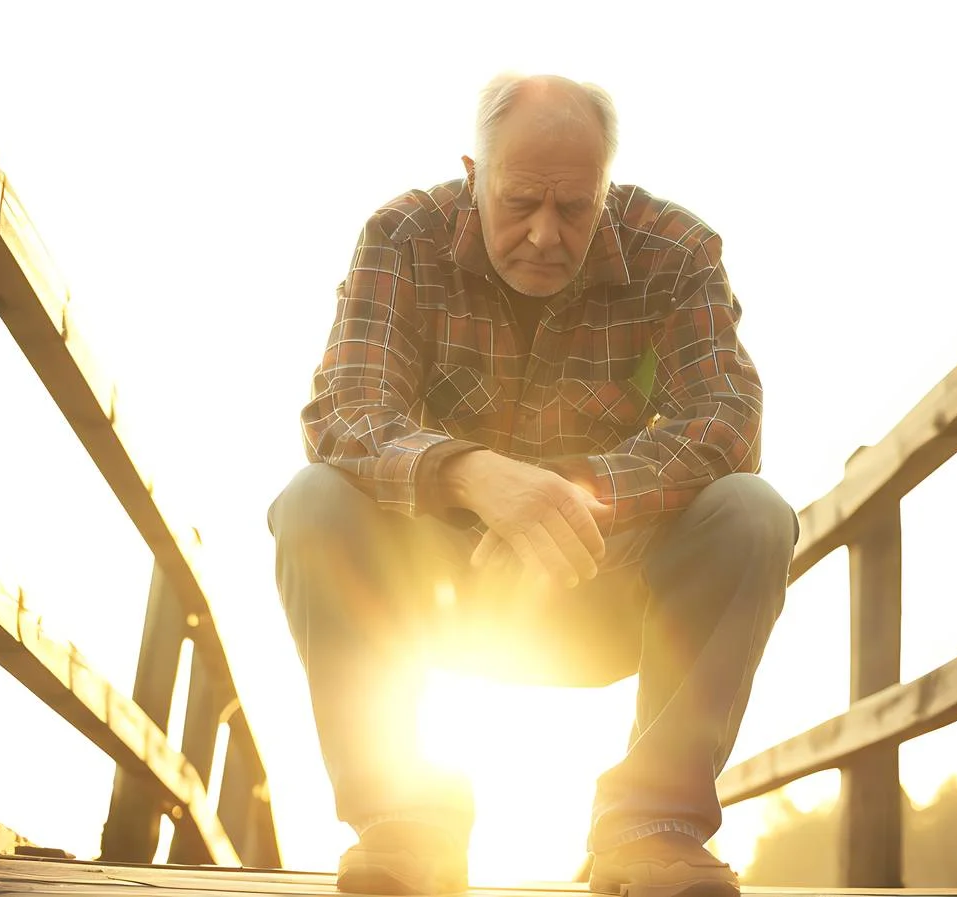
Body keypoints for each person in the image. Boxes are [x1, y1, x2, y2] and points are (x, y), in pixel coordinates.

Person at [269, 72, 798, 897]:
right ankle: (406, 819)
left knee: (753, 512)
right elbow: (343, 407)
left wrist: (567, 497)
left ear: (606, 191)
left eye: (575, 208)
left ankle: (651, 822)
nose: (546, 235)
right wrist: (475, 477)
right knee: (313, 501)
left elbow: (730, 421)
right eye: (520, 202)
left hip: (607, 595)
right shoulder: (402, 237)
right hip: (441, 595)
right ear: (473, 177)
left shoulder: (678, 252)